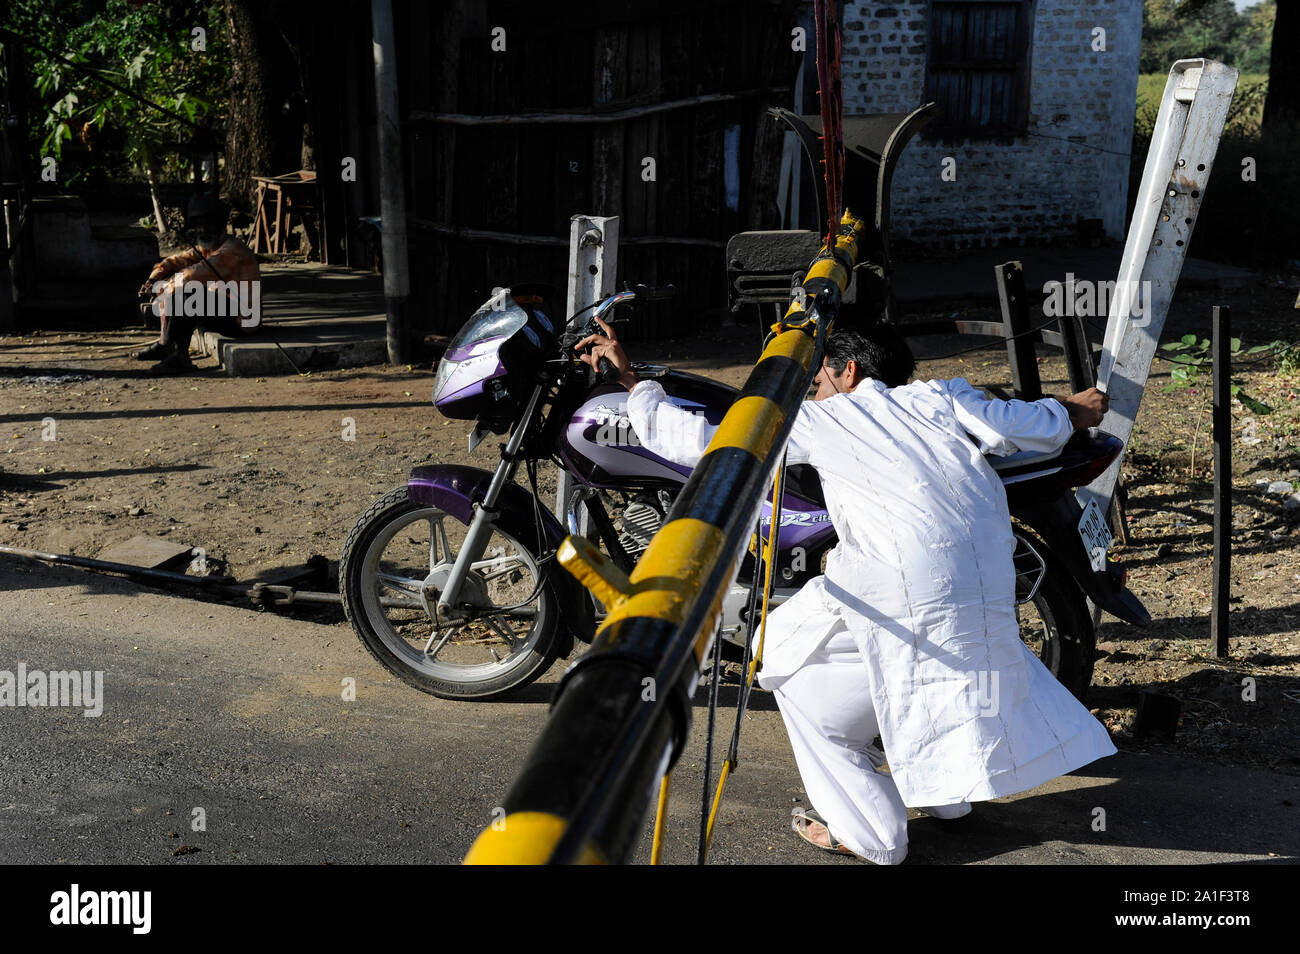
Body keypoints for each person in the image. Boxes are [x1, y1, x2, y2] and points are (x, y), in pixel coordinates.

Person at [575, 319, 1117, 864]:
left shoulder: (826, 417)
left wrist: (634, 384)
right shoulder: (941, 397)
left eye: (817, 377)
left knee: (786, 664)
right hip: (990, 585)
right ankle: (947, 796)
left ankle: (873, 833)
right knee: (919, 669)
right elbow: (1027, 422)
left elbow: (701, 440)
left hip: (894, 590)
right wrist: (1073, 408)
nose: (811, 387)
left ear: (848, 370)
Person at [135, 193, 260, 375]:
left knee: (187, 295)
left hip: (243, 320)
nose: (202, 231)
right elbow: (175, 261)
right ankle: (166, 344)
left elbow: (191, 276)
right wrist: (153, 279)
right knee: (179, 292)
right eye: (199, 226)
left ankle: (179, 356)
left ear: (220, 226)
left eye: (208, 226)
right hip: (226, 312)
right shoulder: (209, 248)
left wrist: (161, 287)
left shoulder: (231, 252)